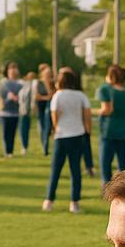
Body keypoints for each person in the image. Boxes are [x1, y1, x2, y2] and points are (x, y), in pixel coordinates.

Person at [42, 68, 90, 214]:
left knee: (56, 170)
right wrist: (87, 130)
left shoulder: (57, 96)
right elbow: (87, 114)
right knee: (76, 170)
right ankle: (74, 203)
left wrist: (56, 128)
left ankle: (49, 201)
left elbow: (54, 116)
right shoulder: (81, 95)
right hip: (77, 134)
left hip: (61, 136)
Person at [96, 64, 125, 185]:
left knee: (105, 161)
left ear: (111, 76)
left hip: (109, 129)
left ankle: (106, 187)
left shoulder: (105, 89)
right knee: (122, 159)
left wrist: (96, 112)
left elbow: (107, 110)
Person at [0, 61, 23, 157]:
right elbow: (5, 94)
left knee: (12, 133)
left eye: (14, 72)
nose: (13, 73)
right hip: (4, 112)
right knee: (6, 133)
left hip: (15, 112)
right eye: (11, 71)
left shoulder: (19, 84)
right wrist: (11, 97)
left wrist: (17, 98)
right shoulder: (4, 82)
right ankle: (6, 151)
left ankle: (10, 151)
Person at [36, 64, 54, 155]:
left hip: (49, 107)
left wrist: (48, 84)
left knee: (47, 127)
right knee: (42, 127)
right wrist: (47, 97)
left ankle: (45, 147)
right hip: (40, 108)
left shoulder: (52, 83)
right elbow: (37, 96)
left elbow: (53, 94)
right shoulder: (38, 83)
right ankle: (43, 144)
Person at [18, 70, 36, 154]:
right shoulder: (24, 85)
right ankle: (24, 146)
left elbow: (31, 99)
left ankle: (24, 146)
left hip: (26, 111)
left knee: (24, 129)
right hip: (22, 110)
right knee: (23, 129)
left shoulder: (32, 86)